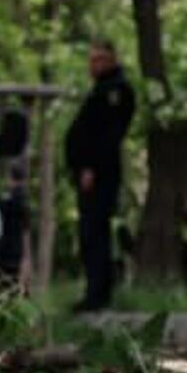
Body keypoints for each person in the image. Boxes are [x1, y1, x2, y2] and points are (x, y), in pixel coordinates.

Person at [64, 39, 135, 312]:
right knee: (89, 232)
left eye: (98, 60)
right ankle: (94, 291)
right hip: (89, 172)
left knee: (95, 232)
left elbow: (107, 136)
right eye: (91, 60)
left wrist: (91, 167)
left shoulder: (116, 91)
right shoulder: (100, 90)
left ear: (111, 60)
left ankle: (98, 293)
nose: (92, 66)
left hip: (99, 174)